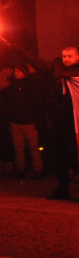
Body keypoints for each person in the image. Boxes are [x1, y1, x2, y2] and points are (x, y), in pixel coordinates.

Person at [46, 46, 79, 200]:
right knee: (60, 156)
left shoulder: (72, 73)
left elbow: (68, 74)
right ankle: (62, 189)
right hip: (60, 122)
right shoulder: (58, 73)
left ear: (77, 57)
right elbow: (38, 64)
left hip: (76, 123)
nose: (66, 59)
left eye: (70, 56)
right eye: (64, 56)